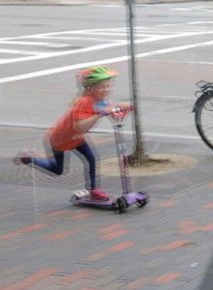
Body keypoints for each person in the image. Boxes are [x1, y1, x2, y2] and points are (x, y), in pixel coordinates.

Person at [14, 65, 131, 201]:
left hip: (76, 139)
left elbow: (108, 108)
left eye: (108, 86)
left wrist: (122, 106)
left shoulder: (99, 100)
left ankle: (94, 190)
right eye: (103, 87)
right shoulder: (83, 102)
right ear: (90, 88)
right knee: (57, 170)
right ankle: (28, 158)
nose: (107, 90)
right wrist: (99, 115)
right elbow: (80, 126)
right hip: (60, 139)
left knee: (91, 159)